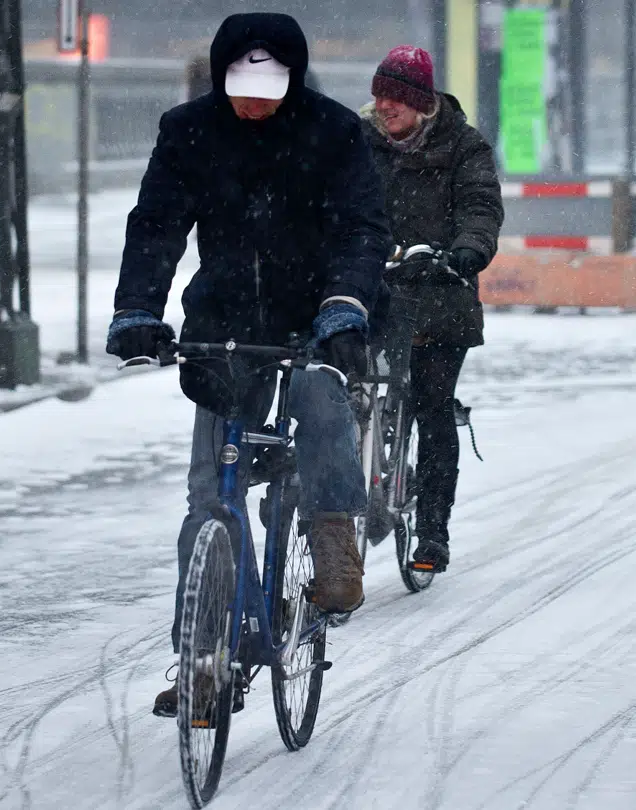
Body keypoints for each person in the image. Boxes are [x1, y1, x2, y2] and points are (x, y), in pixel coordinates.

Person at [103, 12, 391, 717]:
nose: (252, 105)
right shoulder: (189, 131)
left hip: (316, 316)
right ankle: (203, 657)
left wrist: (344, 306)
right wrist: (137, 308)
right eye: (240, 91)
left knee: (320, 402)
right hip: (225, 322)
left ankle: (332, 535)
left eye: (267, 92)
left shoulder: (332, 131)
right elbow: (157, 224)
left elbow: (361, 228)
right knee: (210, 496)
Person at [360, 46, 504, 573]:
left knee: (431, 403)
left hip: (440, 292)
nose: (385, 106)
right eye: (380, 95)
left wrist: (467, 251)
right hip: (372, 289)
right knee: (344, 389)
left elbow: (481, 207)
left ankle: (432, 531)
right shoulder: (358, 140)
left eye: (396, 97)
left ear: (422, 102)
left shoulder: (464, 146)